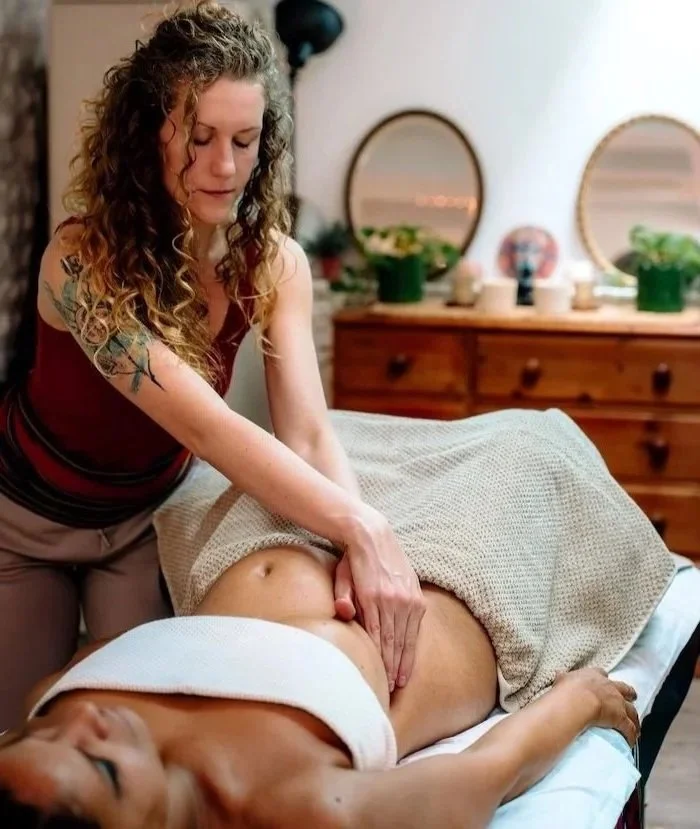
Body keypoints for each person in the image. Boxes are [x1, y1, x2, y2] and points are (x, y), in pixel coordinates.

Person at [0, 1, 424, 731]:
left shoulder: (277, 263)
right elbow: (212, 428)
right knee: (23, 736)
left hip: (142, 521)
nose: (223, 166)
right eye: (197, 138)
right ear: (147, 135)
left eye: (244, 139)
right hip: (27, 517)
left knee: (127, 734)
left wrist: (364, 536)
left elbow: (309, 435)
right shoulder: (78, 262)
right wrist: (360, 526)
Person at [0, 538, 641, 829]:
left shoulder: (47, 707)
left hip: (277, 526)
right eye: (100, 766)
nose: (91, 723)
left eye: (44, 736)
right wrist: (582, 699)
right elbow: (483, 776)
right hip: (432, 586)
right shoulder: (298, 809)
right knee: (532, 443)